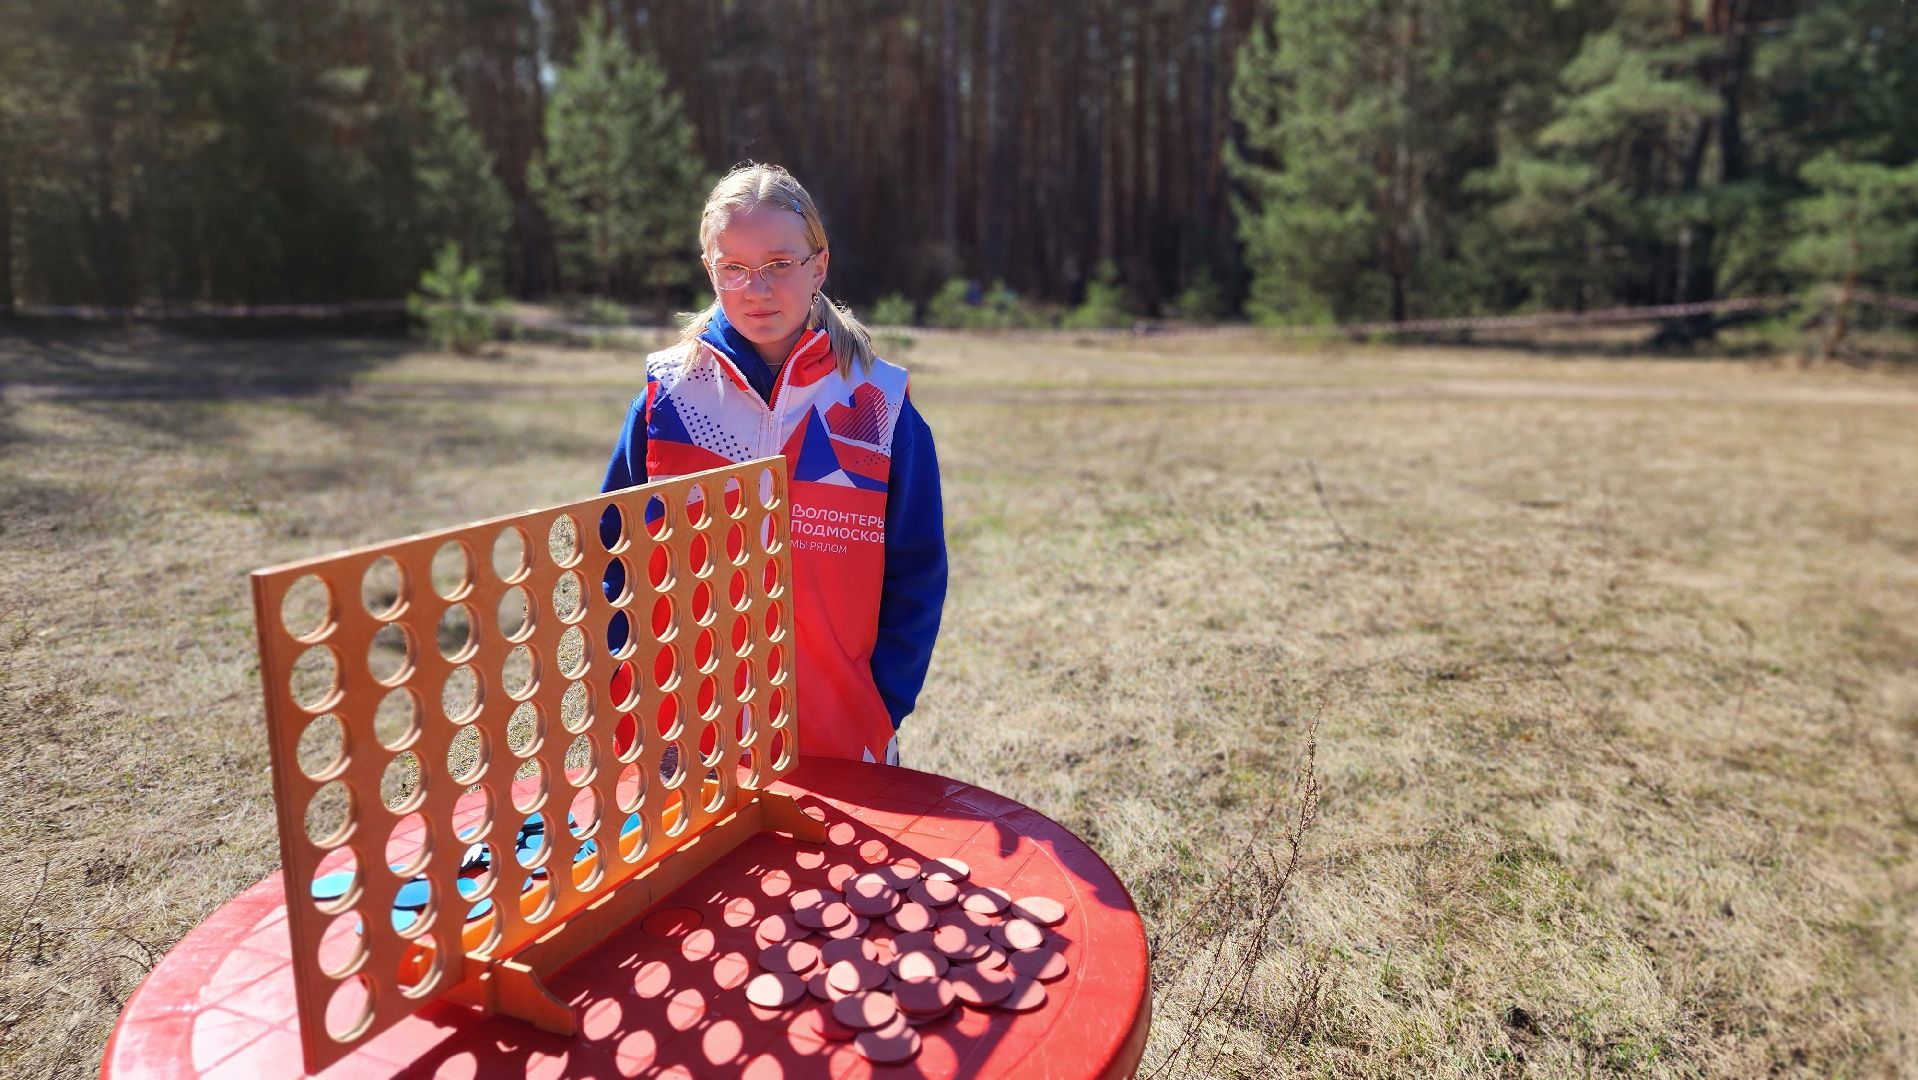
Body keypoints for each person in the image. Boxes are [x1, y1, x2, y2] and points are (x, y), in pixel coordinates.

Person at [601, 163, 946, 766]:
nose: (756, 289)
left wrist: (880, 705)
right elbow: (614, 562)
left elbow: (916, 569)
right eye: (733, 267)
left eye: (780, 264)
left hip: (837, 735)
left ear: (820, 266)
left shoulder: (877, 402)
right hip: (683, 735)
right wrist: (629, 694)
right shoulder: (667, 401)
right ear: (711, 272)